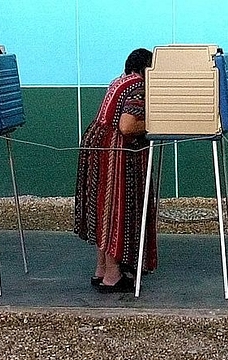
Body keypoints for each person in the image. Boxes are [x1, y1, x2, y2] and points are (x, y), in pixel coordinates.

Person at [74, 48, 157, 293]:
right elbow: (128, 125)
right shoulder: (138, 86)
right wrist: (157, 122)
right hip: (116, 153)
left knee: (102, 208)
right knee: (116, 210)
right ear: (146, 69)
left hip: (96, 145)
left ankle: (101, 268)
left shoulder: (120, 81)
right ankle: (112, 275)